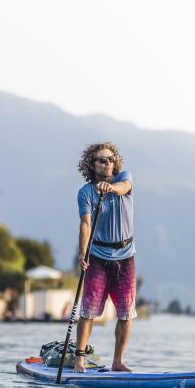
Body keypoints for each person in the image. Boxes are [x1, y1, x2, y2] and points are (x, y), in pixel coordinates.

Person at [74, 142, 136, 373]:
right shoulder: (85, 192)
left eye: (110, 159)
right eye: (101, 160)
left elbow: (124, 187)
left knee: (126, 312)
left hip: (126, 255)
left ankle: (118, 361)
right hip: (98, 256)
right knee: (88, 311)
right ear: (92, 164)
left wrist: (110, 188)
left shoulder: (124, 178)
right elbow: (85, 224)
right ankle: (79, 360)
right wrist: (83, 253)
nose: (107, 163)